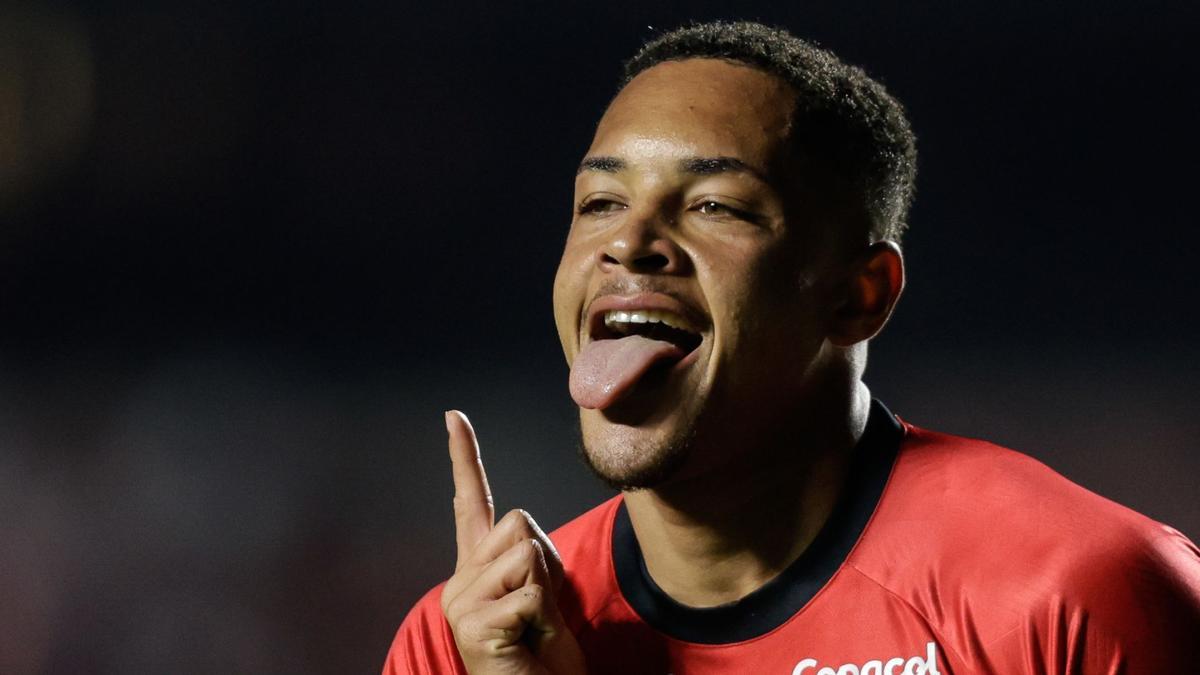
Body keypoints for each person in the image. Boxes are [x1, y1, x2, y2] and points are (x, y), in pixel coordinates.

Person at [383, 21, 1200, 675]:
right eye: (600, 200)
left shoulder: (1074, 593)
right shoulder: (469, 643)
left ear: (858, 294)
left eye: (716, 206)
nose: (629, 243)